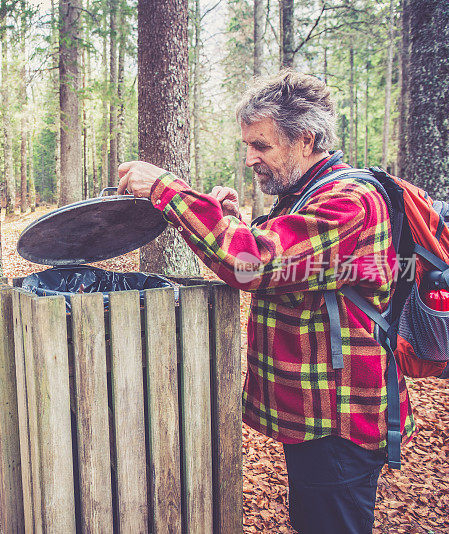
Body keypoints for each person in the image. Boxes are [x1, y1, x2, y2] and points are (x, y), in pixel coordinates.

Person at [117, 70, 414, 534]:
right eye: (248, 146)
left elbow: (252, 265)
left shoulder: (349, 199)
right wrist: (235, 220)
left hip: (341, 416)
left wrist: (165, 188)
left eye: (262, 146)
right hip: (320, 413)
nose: (250, 157)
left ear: (306, 140)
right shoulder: (309, 195)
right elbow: (296, 268)